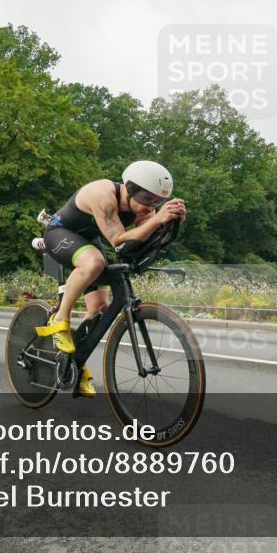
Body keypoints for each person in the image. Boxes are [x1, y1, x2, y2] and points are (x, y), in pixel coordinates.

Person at [35, 160, 185, 398]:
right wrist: (157, 220)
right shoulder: (103, 194)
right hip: (60, 234)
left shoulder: (144, 206)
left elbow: (137, 245)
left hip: (89, 241)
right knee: (95, 262)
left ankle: (75, 364)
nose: (151, 207)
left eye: (158, 201)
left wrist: (168, 224)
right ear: (131, 188)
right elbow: (119, 241)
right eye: (148, 199)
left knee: (99, 308)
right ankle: (59, 318)